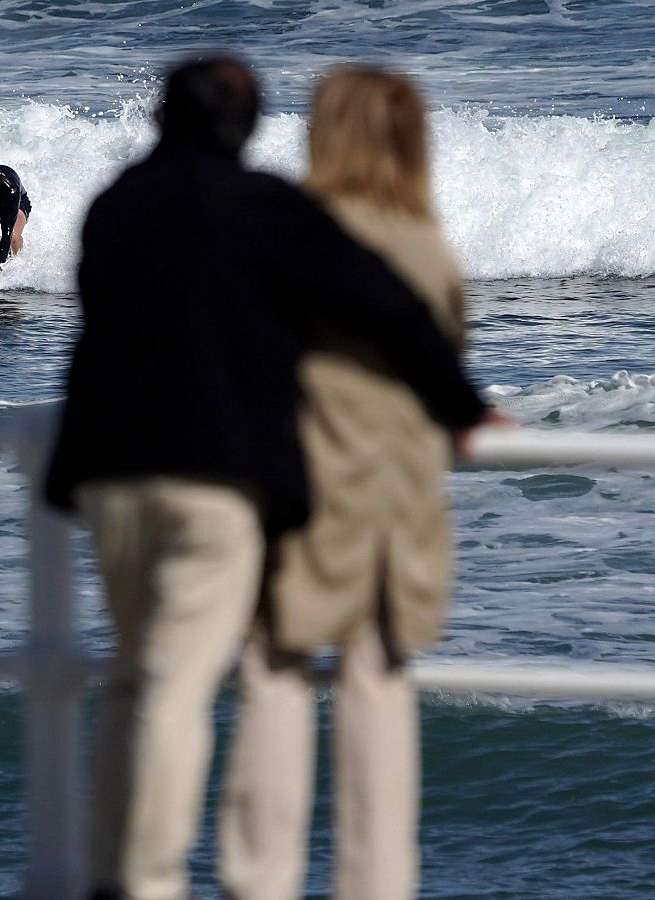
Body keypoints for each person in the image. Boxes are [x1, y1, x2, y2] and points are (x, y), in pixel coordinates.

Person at [43, 56, 490, 900]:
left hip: (109, 475)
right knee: (186, 687)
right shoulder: (270, 210)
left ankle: (123, 873)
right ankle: (149, 882)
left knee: (139, 677)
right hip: (231, 484)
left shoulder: (113, 204)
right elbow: (391, 306)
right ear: (246, 127)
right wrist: (464, 403)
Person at [217, 67, 471, 900]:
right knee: (377, 692)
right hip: (397, 502)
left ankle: (260, 882)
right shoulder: (426, 247)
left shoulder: (288, 234)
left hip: (300, 484)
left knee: (276, 678)